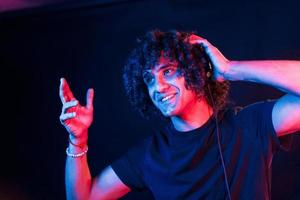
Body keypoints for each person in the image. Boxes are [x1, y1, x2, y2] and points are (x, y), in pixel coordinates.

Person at [59, 30, 300, 200]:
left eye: (169, 71)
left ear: (197, 71)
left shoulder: (249, 126)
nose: (158, 87)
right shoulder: (149, 154)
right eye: (149, 79)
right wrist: (77, 140)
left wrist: (229, 69)